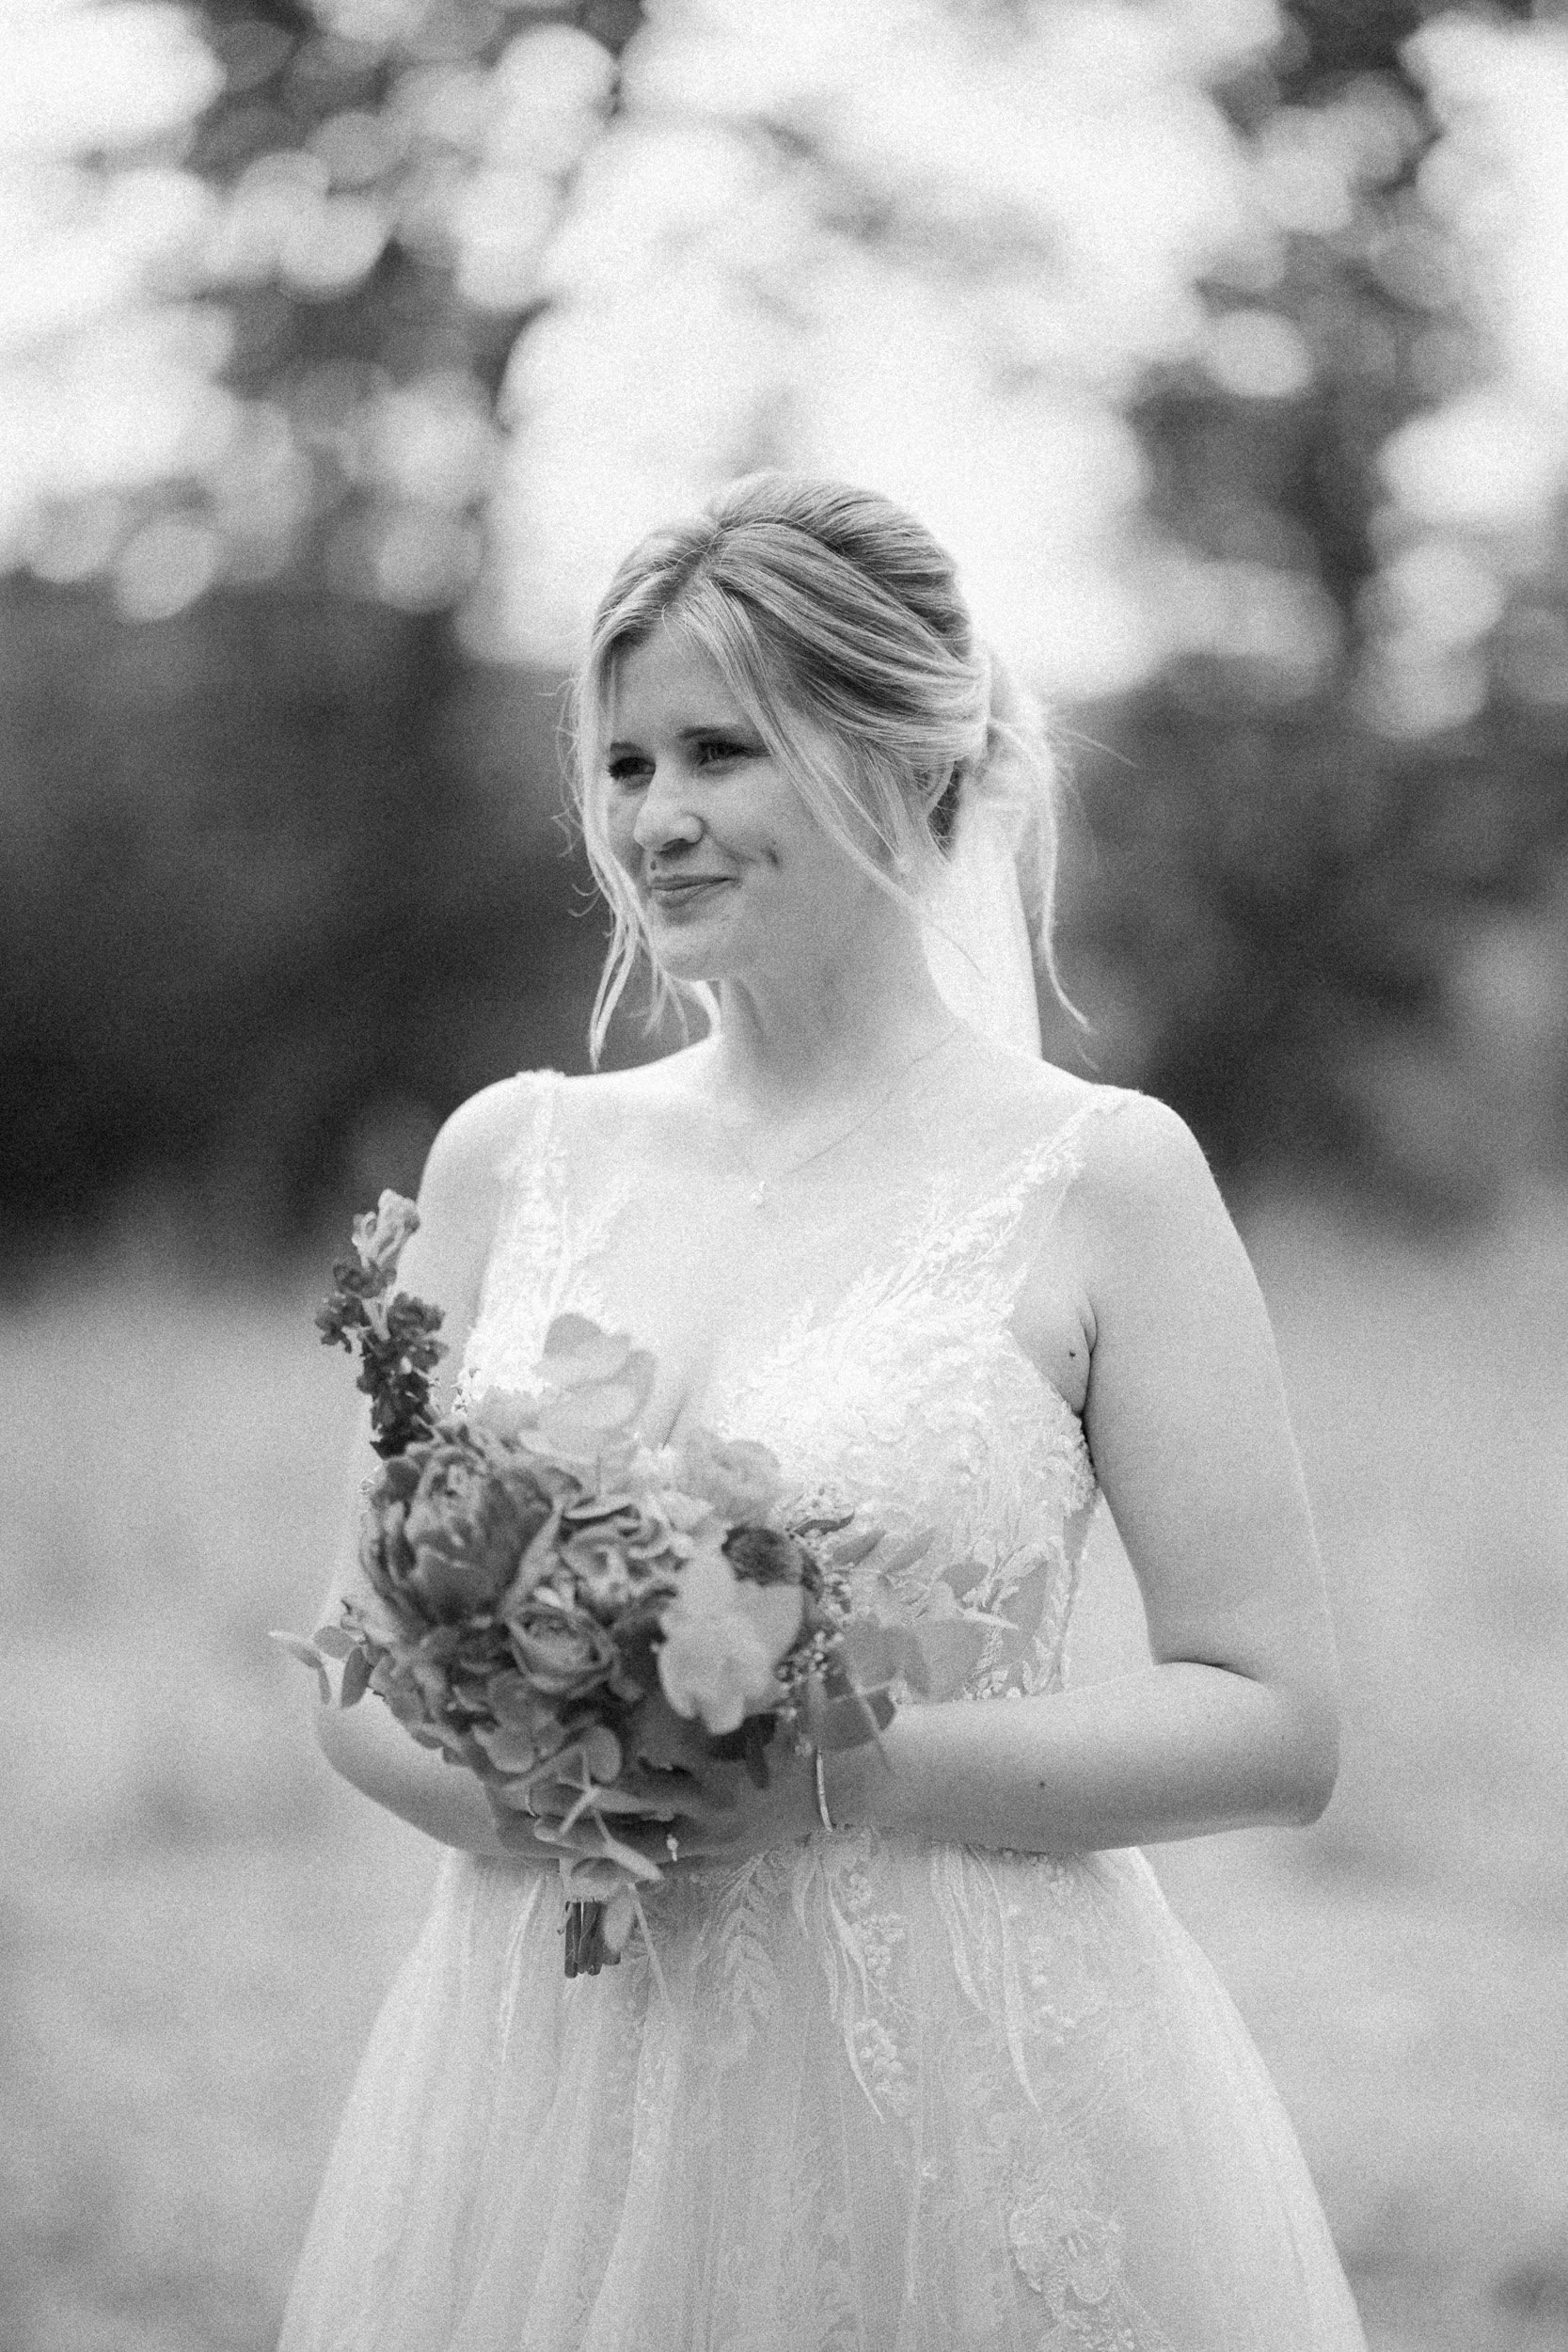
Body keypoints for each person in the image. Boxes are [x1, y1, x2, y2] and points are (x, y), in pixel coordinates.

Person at [278, 473, 1368, 2350]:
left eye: (721, 748)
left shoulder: (1101, 1180)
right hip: (553, 2069)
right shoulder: (509, 1154)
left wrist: (826, 1770)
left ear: (904, 759)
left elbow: (1270, 1719)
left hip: (957, 2070)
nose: (656, 817)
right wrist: (564, 1783)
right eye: (622, 764)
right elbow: (355, 1665)